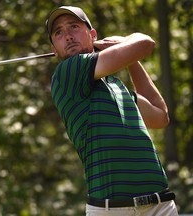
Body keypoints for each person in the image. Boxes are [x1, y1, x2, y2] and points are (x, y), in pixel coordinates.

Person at [45, 6, 179, 216]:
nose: (68, 36)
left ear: (93, 35)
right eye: (58, 33)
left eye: (74, 27)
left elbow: (160, 116)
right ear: (54, 49)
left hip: (160, 204)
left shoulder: (117, 87)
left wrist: (131, 59)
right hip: (112, 209)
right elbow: (145, 44)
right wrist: (126, 41)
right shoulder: (68, 73)